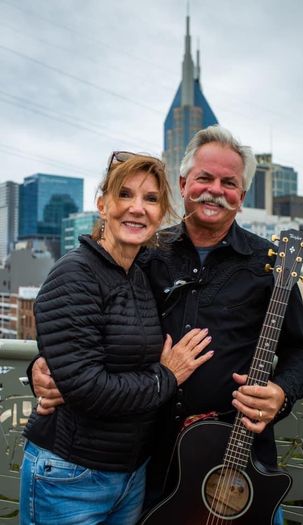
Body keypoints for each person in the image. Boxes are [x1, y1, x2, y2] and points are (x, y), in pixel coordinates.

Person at [31, 126, 303, 525]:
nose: (215, 190)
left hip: (238, 466)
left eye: (229, 183)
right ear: (184, 184)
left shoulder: (269, 262)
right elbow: (87, 324)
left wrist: (281, 393)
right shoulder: (147, 252)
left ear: (242, 195)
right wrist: (40, 368)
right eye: (204, 178)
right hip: (155, 463)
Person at [19, 152, 214, 525]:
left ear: (161, 214)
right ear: (102, 204)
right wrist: (166, 376)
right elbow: (88, 389)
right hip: (68, 477)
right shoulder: (75, 274)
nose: (137, 209)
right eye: (125, 195)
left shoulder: (139, 275)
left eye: (151, 199)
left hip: (130, 476)